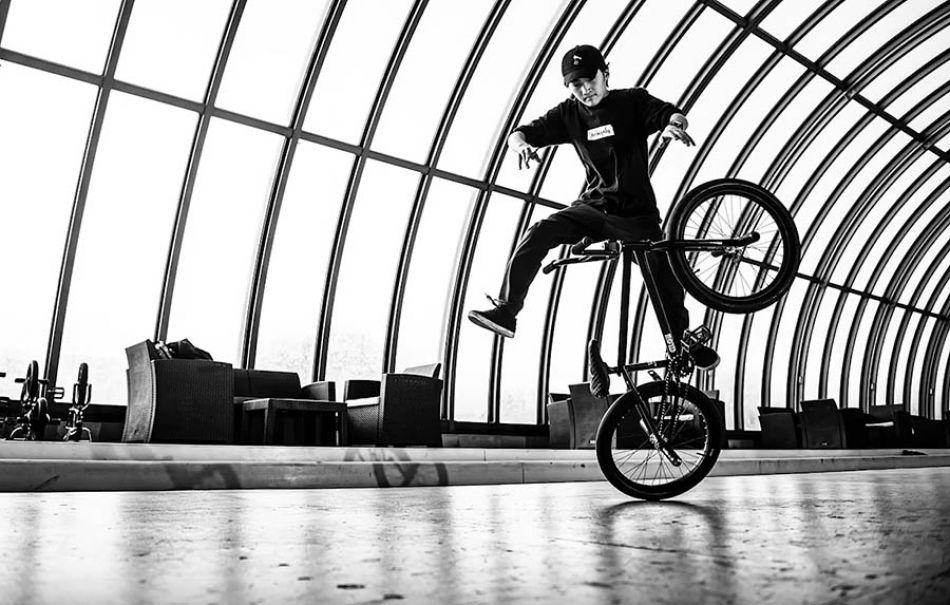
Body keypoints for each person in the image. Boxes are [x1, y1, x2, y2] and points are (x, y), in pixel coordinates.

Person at [467, 44, 717, 373]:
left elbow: (670, 112)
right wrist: (522, 145)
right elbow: (519, 133)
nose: (585, 90)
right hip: (594, 208)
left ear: (605, 73)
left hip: (637, 214)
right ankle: (506, 311)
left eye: (590, 80)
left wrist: (675, 125)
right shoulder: (569, 114)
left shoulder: (631, 101)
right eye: (576, 84)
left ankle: (686, 340)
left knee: (662, 278)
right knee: (539, 232)